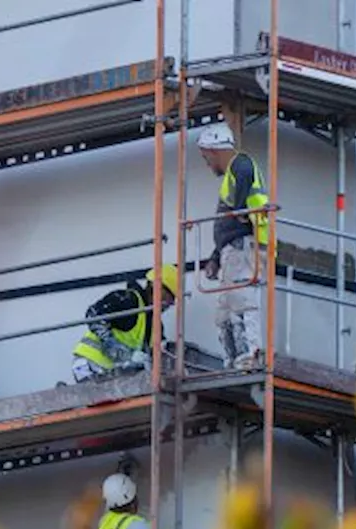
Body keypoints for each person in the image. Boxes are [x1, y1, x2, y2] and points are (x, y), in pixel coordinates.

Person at [197, 123, 271, 370]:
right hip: (233, 249)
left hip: (244, 247)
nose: (207, 163)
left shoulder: (240, 164)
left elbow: (245, 178)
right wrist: (216, 256)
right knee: (225, 310)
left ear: (213, 149)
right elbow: (226, 224)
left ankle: (252, 353)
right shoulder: (232, 174)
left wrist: (239, 209)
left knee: (243, 299)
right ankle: (234, 358)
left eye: (206, 156)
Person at [72, 265, 179, 384]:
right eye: (168, 298)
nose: (168, 304)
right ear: (156, 287)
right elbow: (94, 315)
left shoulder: (155, 325)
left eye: (171, 301)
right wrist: (116, 347)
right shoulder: (128, 300)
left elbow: (157, 353)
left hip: (112, 374)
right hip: (90, 364)